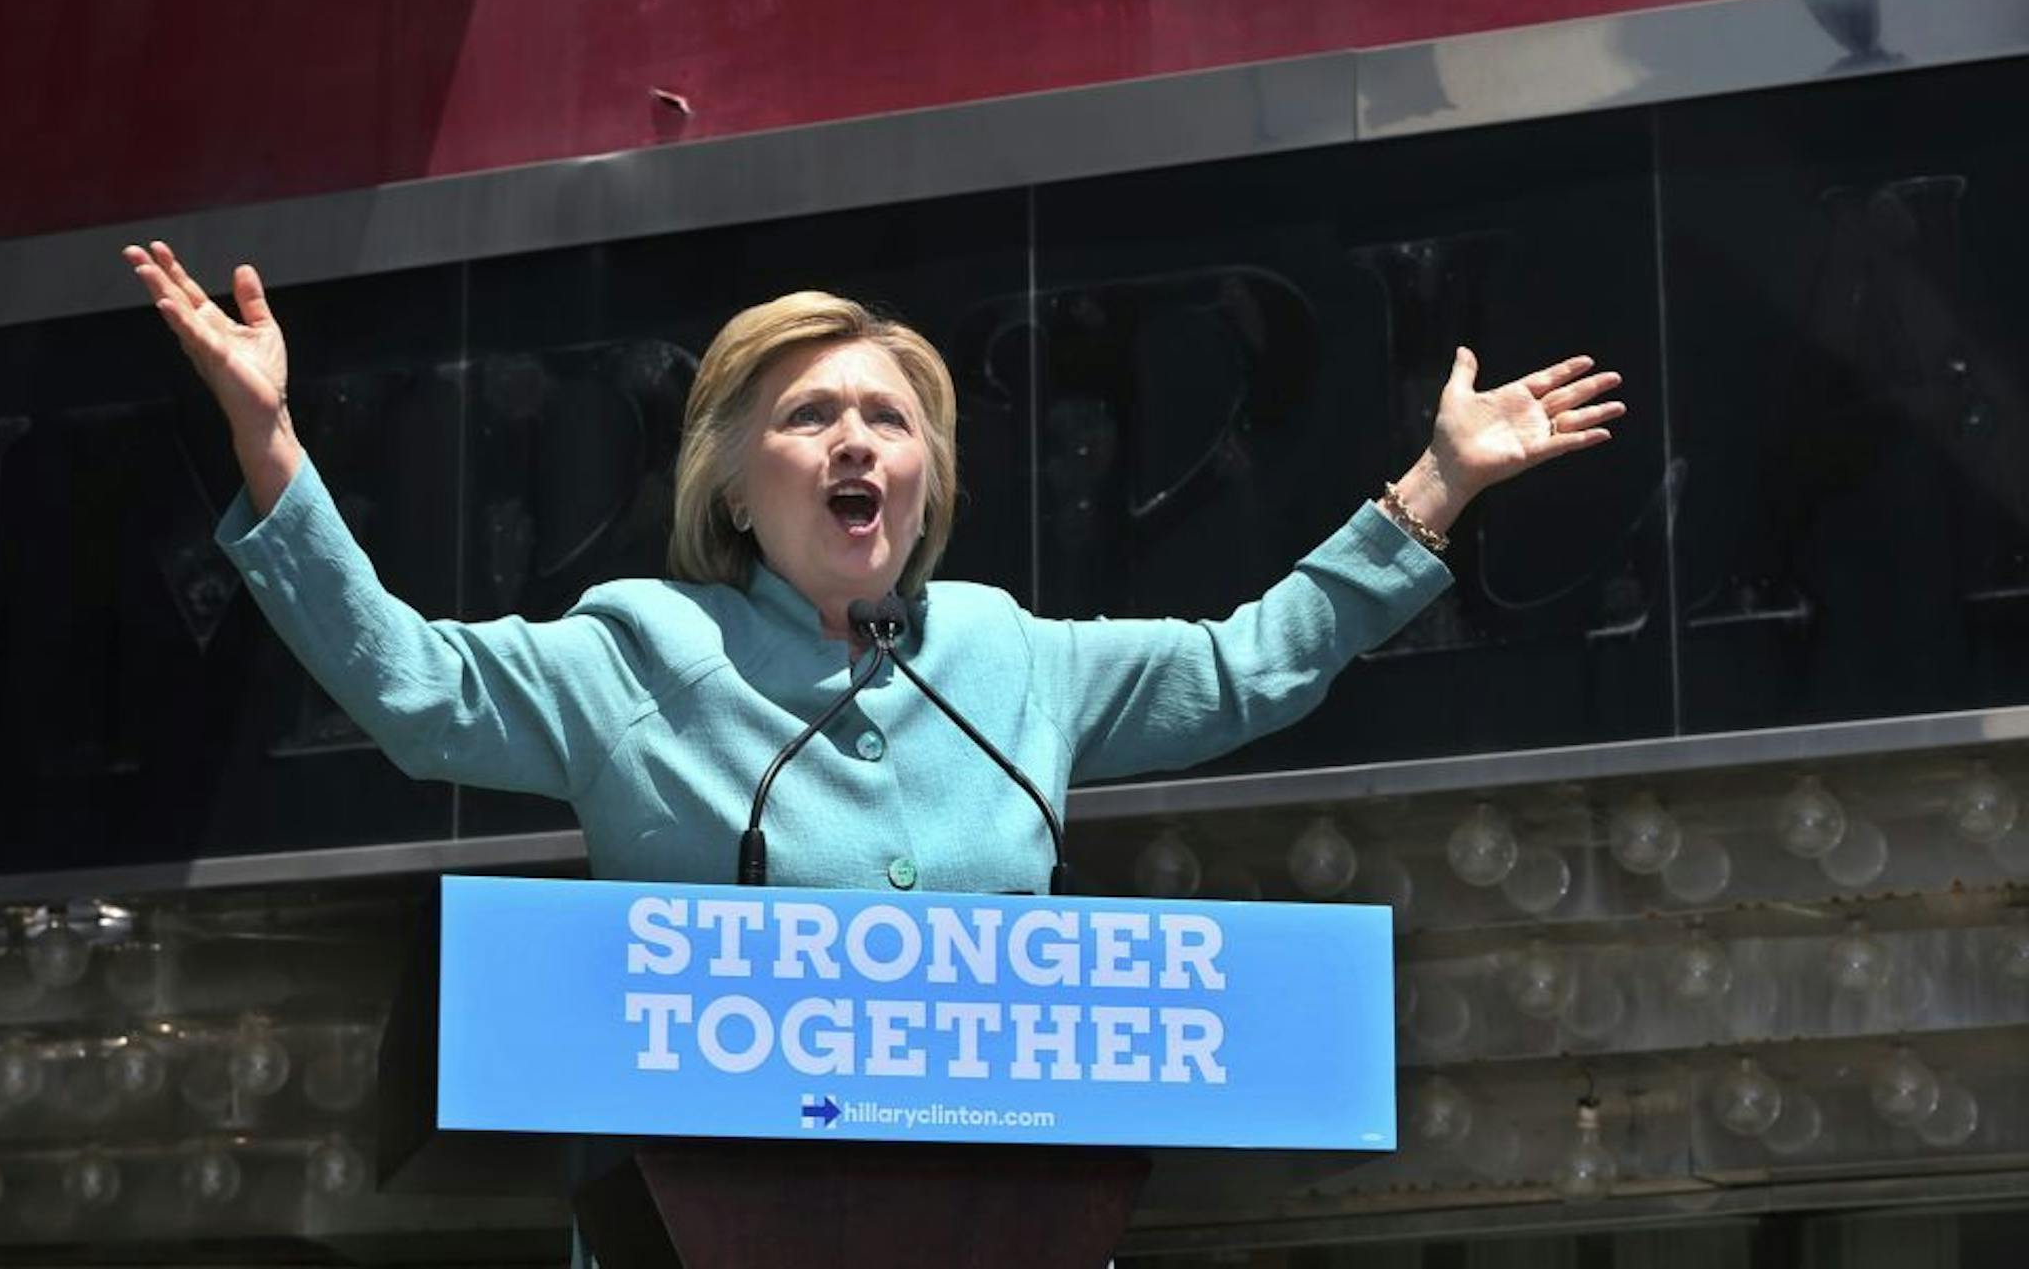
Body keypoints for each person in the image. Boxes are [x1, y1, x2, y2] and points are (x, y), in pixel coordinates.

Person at [122, 239, 1622, 896]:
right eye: (812, 413)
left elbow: (1243, 667)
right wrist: (270, 442)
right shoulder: (641, 651)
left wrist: (1439, 483)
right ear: (729, 475)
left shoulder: (1006, 656)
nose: (859, 442)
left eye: (891, 418)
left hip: (1003, 1196)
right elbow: (415, 688)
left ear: (927, 479)